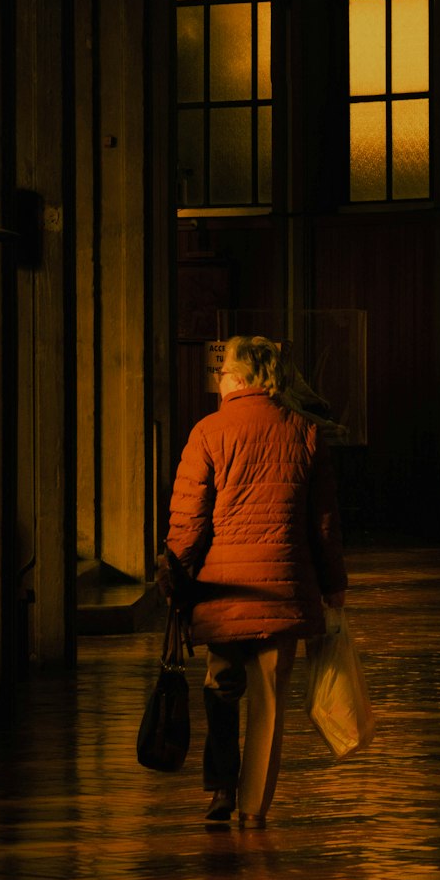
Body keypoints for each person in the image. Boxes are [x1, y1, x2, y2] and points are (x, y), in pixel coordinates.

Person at [161, 335, 347, 829]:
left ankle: (221, 788)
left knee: (220, 686)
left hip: (223, 591)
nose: (217, 383)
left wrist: (175, 575)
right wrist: (334, 585)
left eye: (222, 375)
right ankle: (252, 807)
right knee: (268, 700)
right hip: (283, 589)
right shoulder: (306, 433)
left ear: (240, 379)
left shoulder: (208, 432)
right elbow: (323, 524)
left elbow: (189, 520)